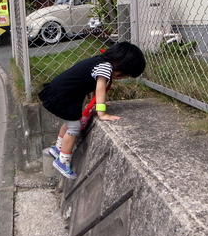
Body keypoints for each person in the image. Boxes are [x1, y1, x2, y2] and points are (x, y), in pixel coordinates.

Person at [39, 42, 146, 179]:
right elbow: (100, 88)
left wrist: (98, 103)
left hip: (58, 92)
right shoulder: (106, 67)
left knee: (70, 121)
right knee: (74, 128)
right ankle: (63, 161)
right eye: (123, 75)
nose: (121, 78)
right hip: (63, 97)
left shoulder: (100, 61)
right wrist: (102, 113)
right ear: (121, 65)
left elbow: (94, 87)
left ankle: (57, 148)